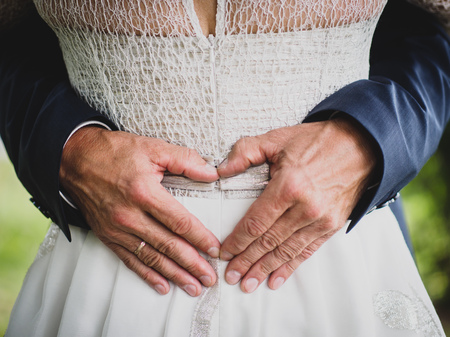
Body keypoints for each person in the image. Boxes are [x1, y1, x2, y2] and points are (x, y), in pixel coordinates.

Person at [1, 0, 449, 336]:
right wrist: (69, 146)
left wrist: (369, 139)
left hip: (335, 261)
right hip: (105, 268)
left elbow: (434, 31)